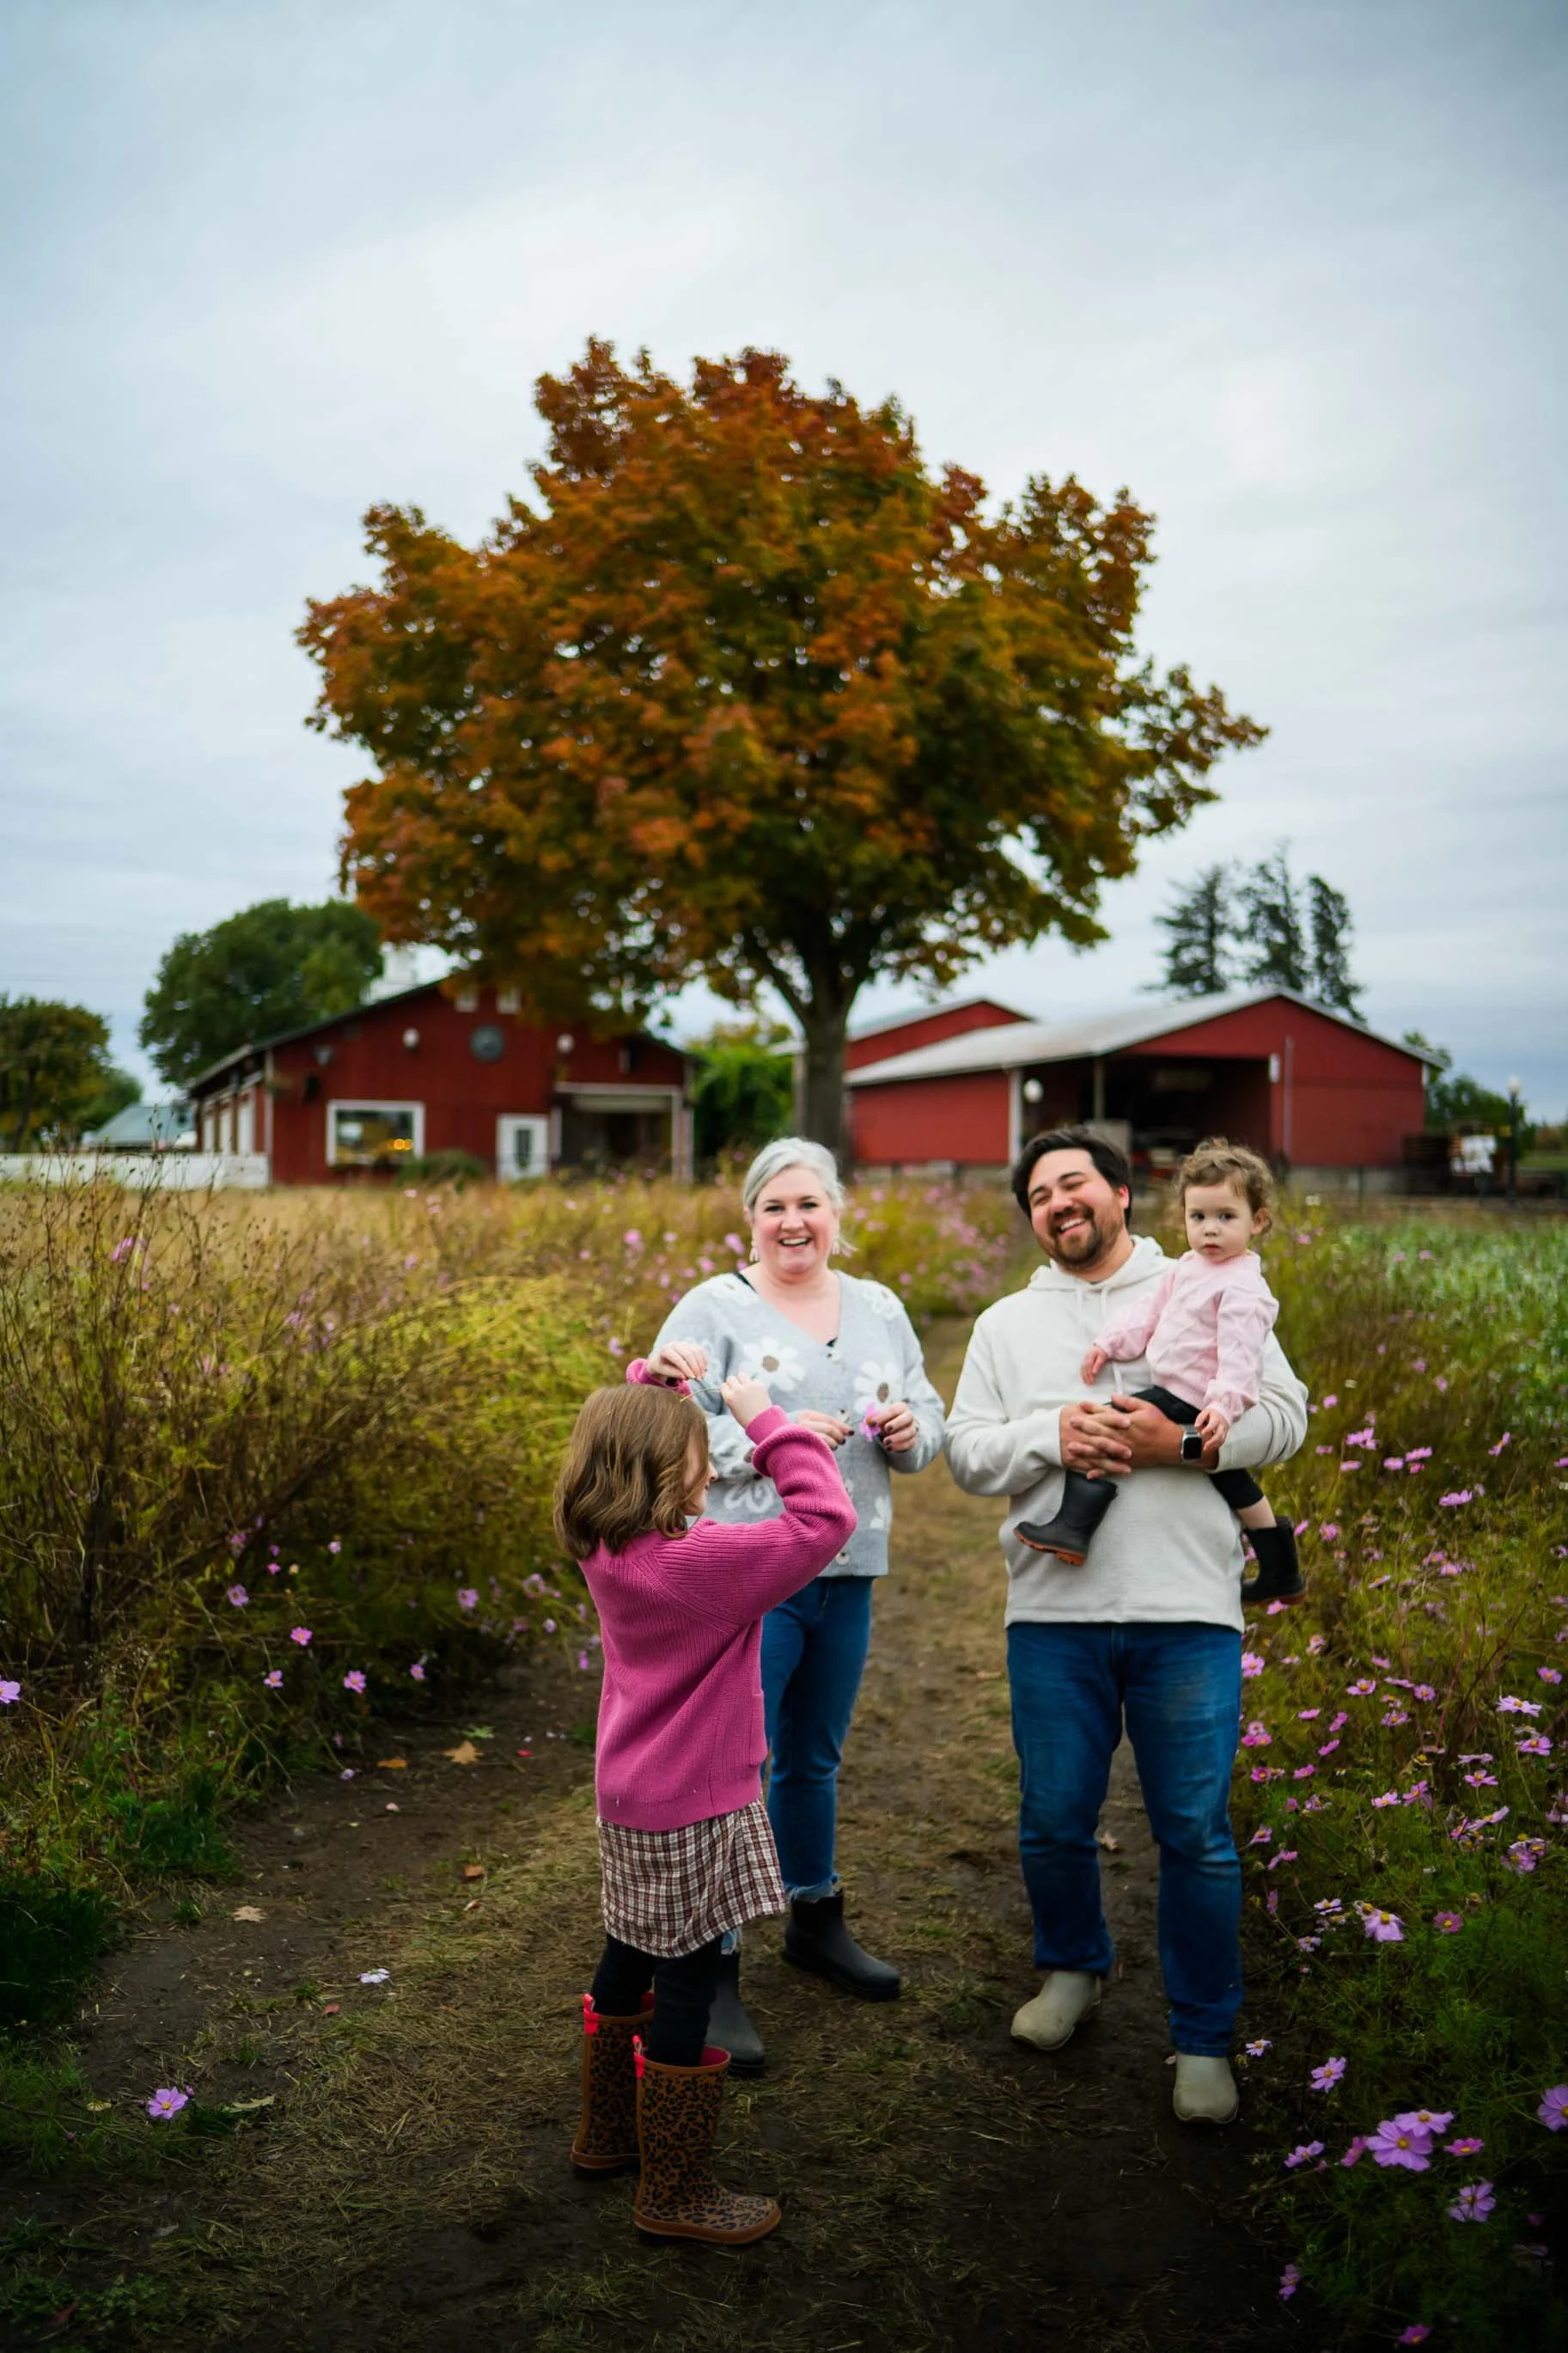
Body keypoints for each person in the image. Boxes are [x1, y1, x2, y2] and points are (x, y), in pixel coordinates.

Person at [944, 1126, 1307, 2126]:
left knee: (1193, 1832)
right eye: (1037, 1194)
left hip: (1186, 1611)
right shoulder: (1007, 1323)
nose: (1057, 1202)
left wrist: (1180, 1442)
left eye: (1074, 1183)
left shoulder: (1210, 1276)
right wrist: (1052, 1432)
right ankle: (1070, 1968)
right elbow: (966, 1452)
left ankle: (1204, 2036)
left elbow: (1285, 1414)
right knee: (1053, 1816)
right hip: (1051, 1615)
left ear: (1118, 1192)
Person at [636, 1136, 947, 2073]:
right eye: (774, 1205)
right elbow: (664, 1425)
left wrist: (910, 1431)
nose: (793, 1221)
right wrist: (771, 1436)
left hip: (849, 1567)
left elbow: (930, 1417)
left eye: (809, 1203)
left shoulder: (881, 1307)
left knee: (814, 1755)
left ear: (837, 1212)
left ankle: (815, 1915)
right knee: (734, 1764)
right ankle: (713, 1962)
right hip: (750, 1573)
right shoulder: (713, 1305)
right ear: (750, 1218)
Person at [554, 1372, 855, 2244]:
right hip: (694, 1797)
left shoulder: (603, 1543)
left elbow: (623, 1430)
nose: (714, 1467)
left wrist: (649, 1386)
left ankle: (608, 2134)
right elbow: (825, 1519)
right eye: (699, 1455)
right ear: (660, 1469)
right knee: (687, 1971)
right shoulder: (698, 1563)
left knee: (630, 1948)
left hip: (632, 1790)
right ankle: (674, 2189)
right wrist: (767, 1421)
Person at [1015, 1137, 1303, 1605]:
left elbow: (1241, 1356)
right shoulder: (1189, 1266)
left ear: (1258, 1221)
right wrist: (1109, 1344)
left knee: (1105, 1427)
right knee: (1234, 1481)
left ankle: (1072, 1527)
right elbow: (1149, 1313)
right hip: (1179, 1387)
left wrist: (1223, 1407)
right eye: (1198, 1217)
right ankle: (1282, 1572)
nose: (1210, 1230)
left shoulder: (1243, 1288)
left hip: (1195, 1398)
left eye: (1226, 1217)